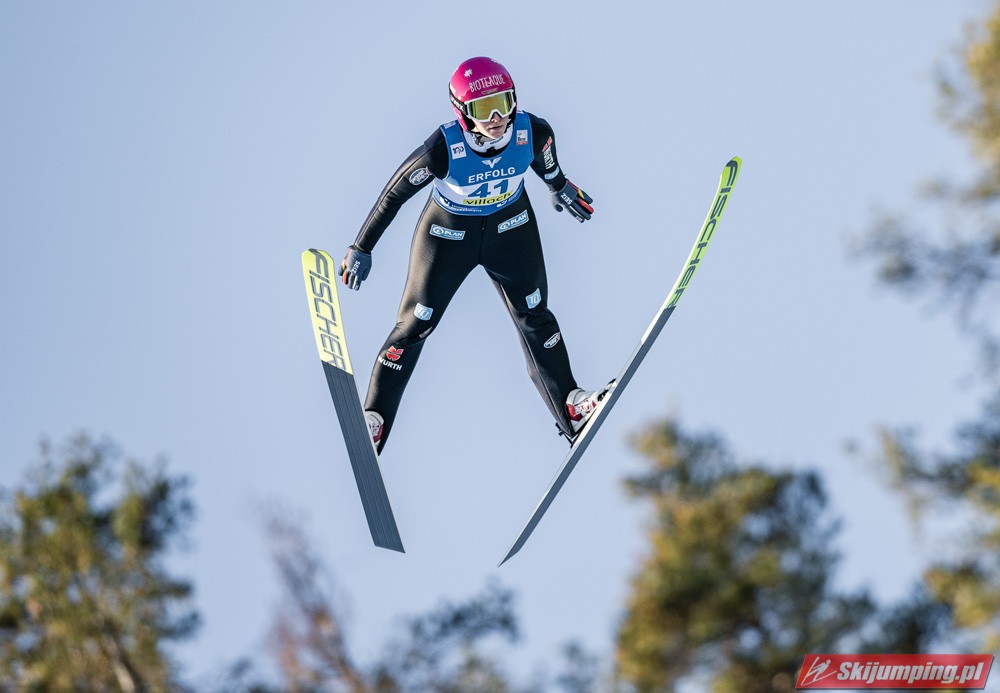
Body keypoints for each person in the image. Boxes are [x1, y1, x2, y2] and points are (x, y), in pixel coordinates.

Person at [338, 56, 602, 452]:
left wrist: (560, 187)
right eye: (483, 108)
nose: (496, 117)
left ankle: (572, 407)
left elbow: (547, 165)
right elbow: (394, 195)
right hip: (448, 237)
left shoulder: (533, 132)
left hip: (510, 230)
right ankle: (374, 418)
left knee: (535, 316)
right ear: (462, 112)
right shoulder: (442, 149)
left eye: (503, 103)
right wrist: (362, 246)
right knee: (416, 324)